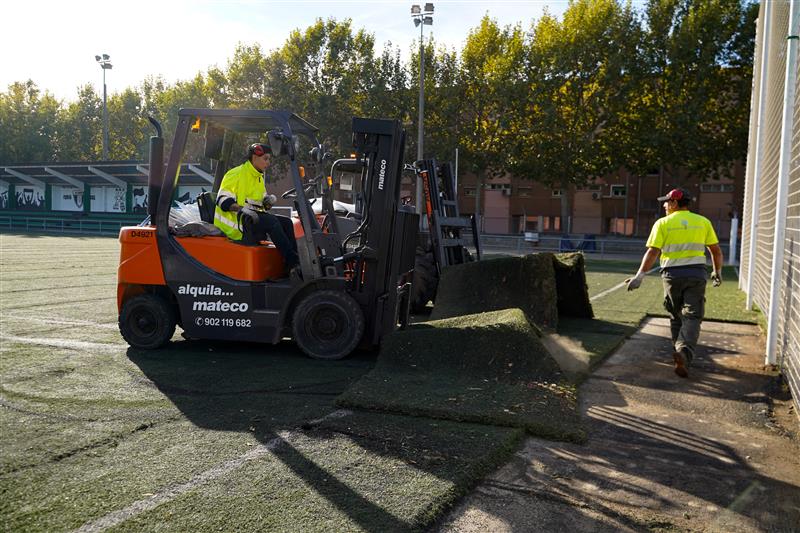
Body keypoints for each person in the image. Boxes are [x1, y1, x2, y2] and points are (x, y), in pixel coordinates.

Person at [625, 188, 723, 378]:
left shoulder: (662, 223)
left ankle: (679, 353)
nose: (664, 205)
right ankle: (684, 354)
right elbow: (715, 251)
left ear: (675, 203)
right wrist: (717, 271)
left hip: (671, 276)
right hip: (696, 275)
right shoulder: (703, 222)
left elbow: (653, 252)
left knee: (676, 315)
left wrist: (639, 276)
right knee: (693, 317)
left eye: (667, 202)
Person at [214, 142, 300, 276]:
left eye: (269, 159)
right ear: (255, 158)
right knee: (272, 222)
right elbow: (222, 200)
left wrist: (268, 202)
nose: (268, 162)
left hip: (250, 219)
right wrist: (242, 209)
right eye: (266, 158)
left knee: (287, 222)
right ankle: (292, 261)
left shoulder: (258, 177)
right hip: (235, 223)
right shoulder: (236, 174)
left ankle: (293, 264)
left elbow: (260, 204)